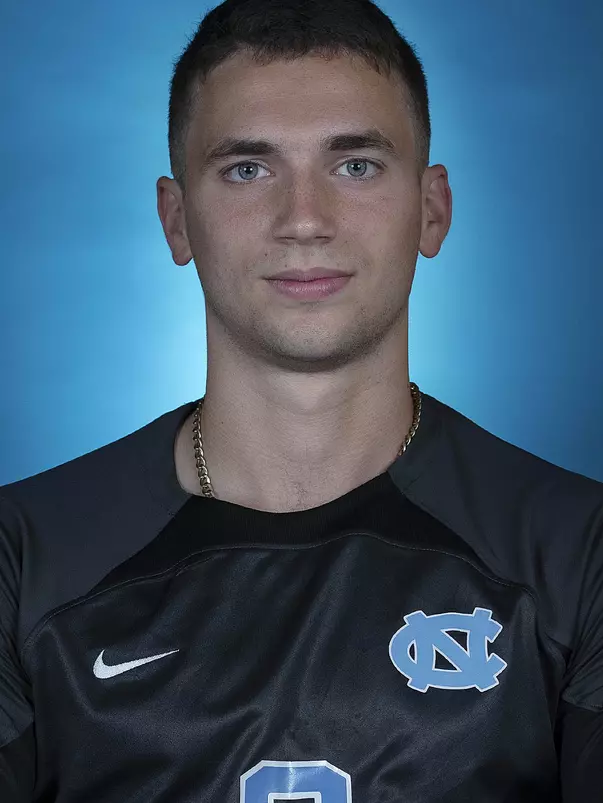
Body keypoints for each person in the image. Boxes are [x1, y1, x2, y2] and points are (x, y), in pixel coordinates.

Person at [1, 0, 602, 800]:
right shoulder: (23, 558)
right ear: (176, 221)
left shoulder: (577, 552)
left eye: (354, 165)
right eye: (248, 169)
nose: (304, 220)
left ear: (432, 209)